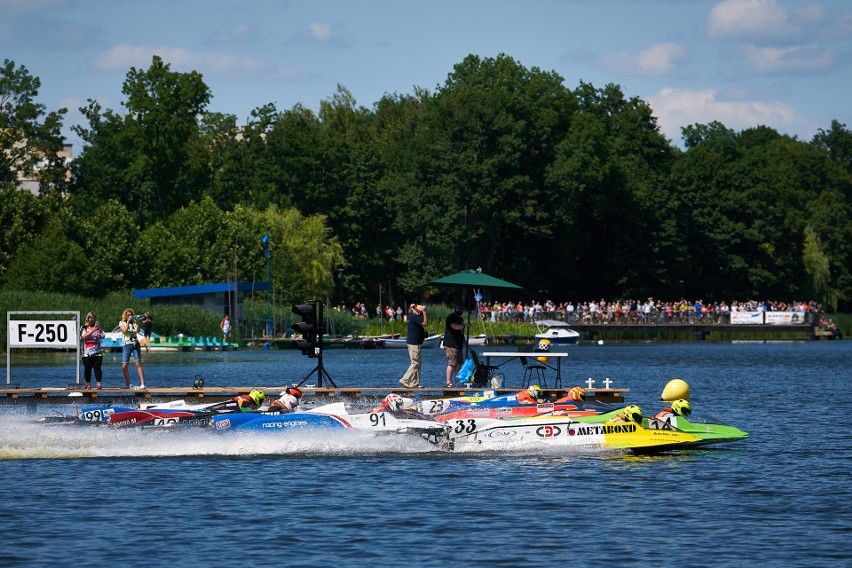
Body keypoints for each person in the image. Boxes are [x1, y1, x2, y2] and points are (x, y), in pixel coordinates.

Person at [399, 303, 427, 388]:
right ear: (415, 307)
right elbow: (425, 323)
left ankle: (415, 383)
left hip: (414, 343)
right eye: (419, 305)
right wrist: (424, 311)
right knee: (415, 363)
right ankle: (404, 380)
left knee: (418, 363)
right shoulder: (414, 317)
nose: (421, 306)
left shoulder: (411, 315)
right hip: (414, 343)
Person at [119, 308, 146, 389]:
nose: (129, 316)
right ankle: (128, 384)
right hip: (126, 345)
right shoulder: (122, 322)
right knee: (124, 365)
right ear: (125, 316)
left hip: (135, 344)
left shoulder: (134, 323)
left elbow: (138, 330)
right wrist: (127, 322)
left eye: (131, 315)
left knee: (138, 363)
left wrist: (137, 322)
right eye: (128, 315)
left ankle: (142, 384)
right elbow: (125, 331)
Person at [442, 304, 466, 387]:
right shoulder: (451, 317)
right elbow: (454, 326)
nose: (460, 310)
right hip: (451, 344)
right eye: (458, 308)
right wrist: (464, 326)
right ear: (455, 308)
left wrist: (467, 345)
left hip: (458, 345)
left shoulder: (461, 319)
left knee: (458, 364)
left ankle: (458, 382)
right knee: (452, 363)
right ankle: (448, 382)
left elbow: (461, 334)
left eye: (462, 308)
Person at [80, 312, 105, 389]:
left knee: (97, 368)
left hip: (97, 352)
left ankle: (98, 383)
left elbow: (103, 336)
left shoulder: (97, 328)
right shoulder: (84, 327)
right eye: (91, 317)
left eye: (94, 318)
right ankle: (88, 383)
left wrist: (99, 329)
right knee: (87, 369)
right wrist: (93, 330)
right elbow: (84, 337)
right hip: (87, 353)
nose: (92, 319)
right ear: (88, 319)